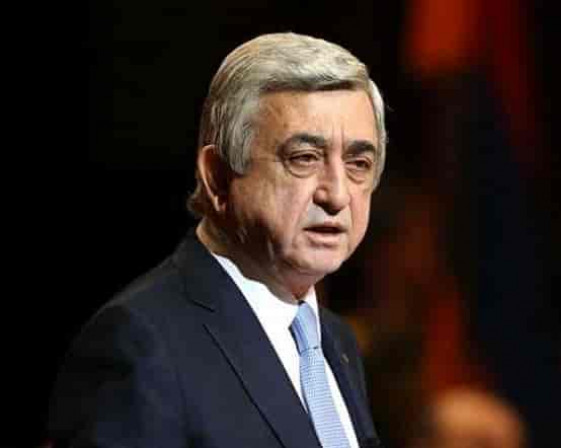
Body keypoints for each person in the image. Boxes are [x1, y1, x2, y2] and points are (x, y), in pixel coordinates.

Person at [47, 32, 386, 448]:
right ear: (218, 177)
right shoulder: (141, 345)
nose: (337, 195)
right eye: (304, 158)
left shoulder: (335, 340)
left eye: (358, 163)